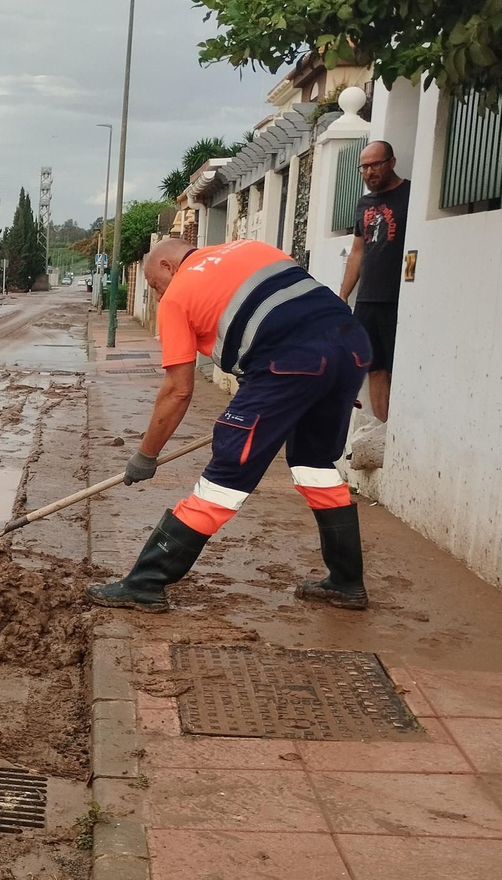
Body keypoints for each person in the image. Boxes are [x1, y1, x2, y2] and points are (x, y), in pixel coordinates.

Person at [86, 238, 373, 613]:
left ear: (170, 267)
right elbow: (291, 312)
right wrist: (319, 386)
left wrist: (146, 455)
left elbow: (177, 391)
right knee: (314, 464)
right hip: (351, 349)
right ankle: (347, 582)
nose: (158, 298)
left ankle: (145, 582)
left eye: (155, 286)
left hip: (291, 362)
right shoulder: (252, 248)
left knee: (225, 475)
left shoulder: (178, 297)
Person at [339, 140, 410, 422]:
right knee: (374, 367)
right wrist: (344, 294)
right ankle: (384, 427)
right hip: (368, 298)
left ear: (391, 162)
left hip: (398, 297)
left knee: (397, 365)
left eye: (375, 165)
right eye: (364, 167)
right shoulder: (364, 203)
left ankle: (399, 432)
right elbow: (358, 251)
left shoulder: (410, 195)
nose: (369, 172)